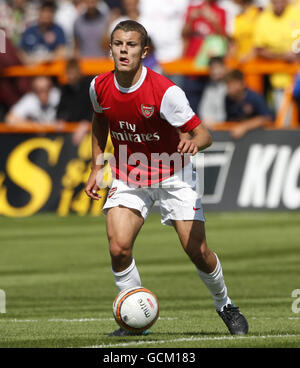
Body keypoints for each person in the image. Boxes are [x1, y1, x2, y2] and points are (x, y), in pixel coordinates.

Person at [86, 20, 249, 336]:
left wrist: (193, 142)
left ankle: (226, 305)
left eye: (131, 45)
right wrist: (97, 167)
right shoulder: (99, 86)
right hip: (127, 173)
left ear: (144, 51)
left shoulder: (165, 92)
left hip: (173, 173)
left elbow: (204, 134)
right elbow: (99, 119)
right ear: (110, 48)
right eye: (118, 43)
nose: (124, 49)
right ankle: (135, 320)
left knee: (196, 251)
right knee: (119, 247)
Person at [253, 0, 300, 112]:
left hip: (297, 73)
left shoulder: (297, 13)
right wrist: (283, 56)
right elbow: (259, 49)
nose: (278, 2)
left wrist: (296, 52)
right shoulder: (263, 18)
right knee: (286, 121)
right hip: (280, 80)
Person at [224, 69, 272, 139]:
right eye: (228, 84)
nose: (230, 88)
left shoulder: (255, 97)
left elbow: (266, 118)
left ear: (242, 84)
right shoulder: (228, 99)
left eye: (233, 84)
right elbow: (229, 120)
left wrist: (244, 126)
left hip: (260, 136)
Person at [56, 58, 93, 144]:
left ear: (78, 72)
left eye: (72, 72)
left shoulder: (90, 86)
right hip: (70, 133)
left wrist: (86, 123)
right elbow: (60, 110)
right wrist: (60, 120)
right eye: (68, 72)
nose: (70, 76)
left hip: (89, 133)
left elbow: (96, 110)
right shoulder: (65, 89)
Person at [198, 56, 227, 127]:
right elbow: (204, 110)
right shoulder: (209, 87)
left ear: (224, 68)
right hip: (213, 127)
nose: (215, 72)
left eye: (218, 68)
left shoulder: (231, 85)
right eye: (212, 69)